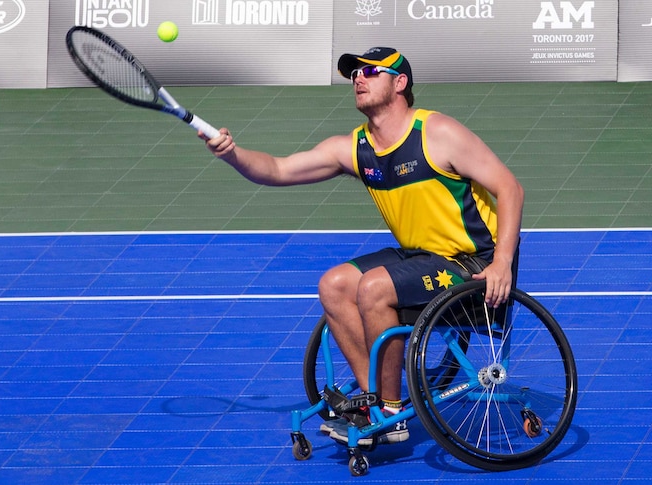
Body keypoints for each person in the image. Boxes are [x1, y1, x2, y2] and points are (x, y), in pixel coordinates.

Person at [201, 47, 524, 445]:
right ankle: (372, 397)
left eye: (371, 71)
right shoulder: (356, 147)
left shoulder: (437, 133)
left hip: (475, 263)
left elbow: (509, 187)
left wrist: (503, 263)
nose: (359, 78)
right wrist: (232, 155)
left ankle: (389, 411)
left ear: (400, 82)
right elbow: (278, 169)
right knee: (334, 284)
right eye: (354, 73)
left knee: (373, 287)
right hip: (423, 257)